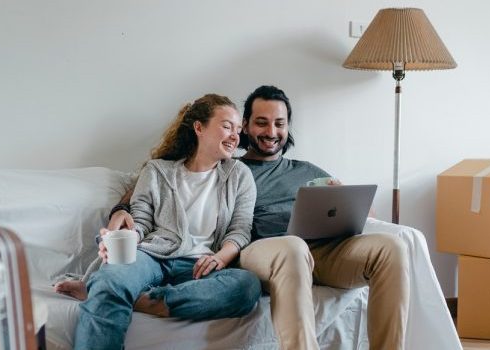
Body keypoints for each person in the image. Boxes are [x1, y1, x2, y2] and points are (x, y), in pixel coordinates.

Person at [79, 86, 410, 350]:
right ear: (246, 128)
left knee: (392, 246)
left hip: (308, 250)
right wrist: (121, 219)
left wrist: (351, 202)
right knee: (290, 248)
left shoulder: (293, 171)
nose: (271, 131)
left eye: (279, 123)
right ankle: (109, 290)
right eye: (260, 123)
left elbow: (356, 210)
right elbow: (139, 206)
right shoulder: (218, 167)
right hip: (260, 251)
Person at [68, 93, 262, 350]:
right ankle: (109, 288)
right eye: (227, 126)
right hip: (153, 256)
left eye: (238, 130)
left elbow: (240, 229)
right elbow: (141, 221)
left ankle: (143, 300)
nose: (236, 136)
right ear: (199, 128)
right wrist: (125, 238)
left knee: (246, 286)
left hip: (201, 265)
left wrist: (221, 258)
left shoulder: (239, 175)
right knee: (111, 276)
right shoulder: (158, 171)